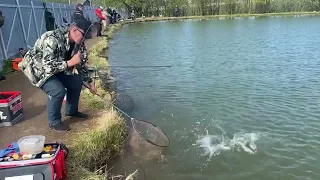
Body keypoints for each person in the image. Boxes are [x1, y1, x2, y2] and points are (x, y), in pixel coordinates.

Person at [18, 19, 97, 131]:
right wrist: (70, 63)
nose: (85, 39)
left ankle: (72, 111)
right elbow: (47, 67)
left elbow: (81, 64)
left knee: (77, 81)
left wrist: (89, 82)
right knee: (58, 91)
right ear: (74, 30)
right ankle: (54, 121)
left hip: (57, 69)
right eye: (84, 36)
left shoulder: (79, 43)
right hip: (38, 71)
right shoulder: (52, 38)